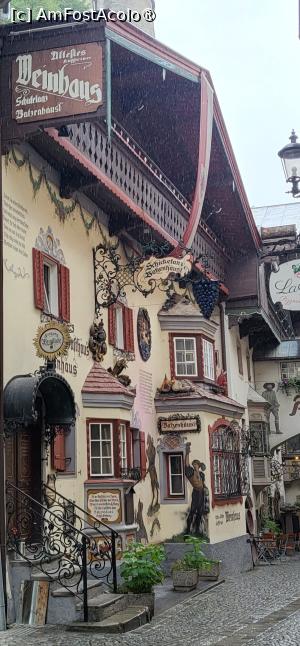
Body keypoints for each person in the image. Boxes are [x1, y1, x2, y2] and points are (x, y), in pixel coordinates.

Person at [185, 442, 209, 535]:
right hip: (196, 493)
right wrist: (187, 452)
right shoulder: (190, 472)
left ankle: (197, 530)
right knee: (192, 511)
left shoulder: (201, 474)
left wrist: (198, 470)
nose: (195, 465)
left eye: (196, 464)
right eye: (194, 464)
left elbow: (201, 481)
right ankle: (188, 530)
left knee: (200, 512)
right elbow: (187, 465)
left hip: (201, 493)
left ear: (198, 466)